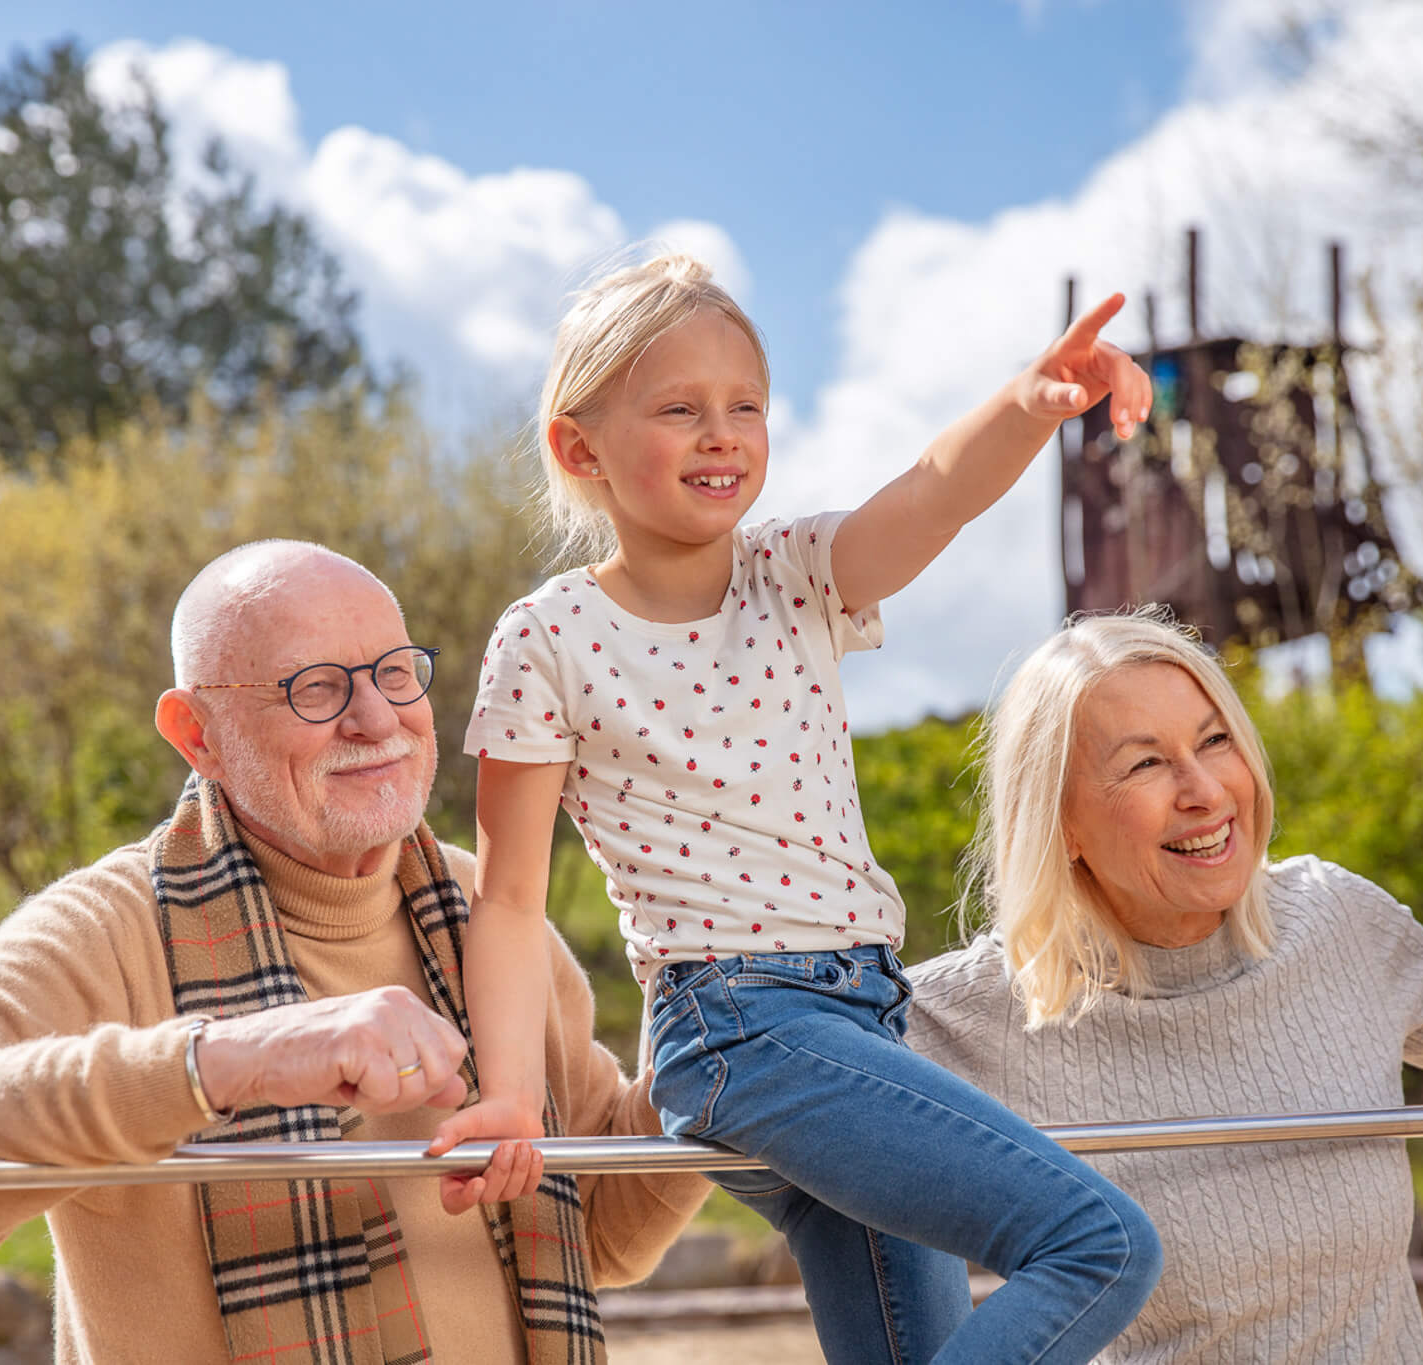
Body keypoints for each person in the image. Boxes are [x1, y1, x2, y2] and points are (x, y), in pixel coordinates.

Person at [441, 251, 1164, 1364]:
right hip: (736, 1030)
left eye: (746, 407)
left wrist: (1026, 408)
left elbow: (931, 489)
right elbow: (507, 900)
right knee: (1097, 1244)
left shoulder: (797, 575)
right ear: (578, 448)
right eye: (678, 409)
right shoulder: (548, 640)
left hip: (864, 1018)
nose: (721, 432)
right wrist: (507, 1097)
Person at [0, 540, 707, 1365]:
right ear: (198, 733)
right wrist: (230, 1061)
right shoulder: (104, 927)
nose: (376, 719)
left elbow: (601, 1229)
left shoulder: (495, 918)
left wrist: (722, 1053)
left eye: (396, 673)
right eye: (317, 687)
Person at [907, 608, 1423, 1363]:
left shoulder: (1335, 919)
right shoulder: (985, 1009)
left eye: (1215, 740)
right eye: (1145, 763)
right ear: (1061, 823)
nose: (1204, 790)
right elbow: (749, 1090)